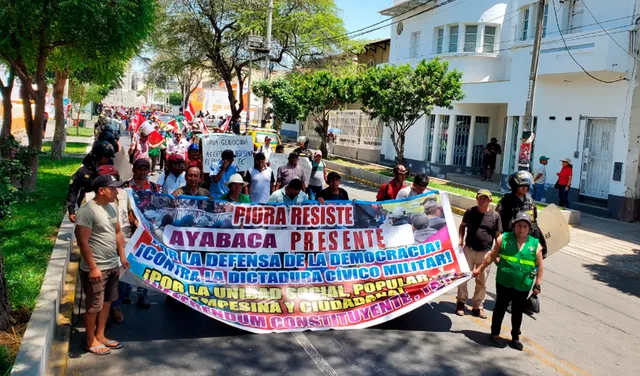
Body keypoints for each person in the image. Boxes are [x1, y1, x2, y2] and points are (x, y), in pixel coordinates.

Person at [472, 212, 544, 351]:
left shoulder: (535, 244)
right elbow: (491, 256)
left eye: (524, 226)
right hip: (503, 282)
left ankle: (515, 337)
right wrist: (480, 268)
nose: (521, 229)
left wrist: (537, 284)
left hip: (523, 285)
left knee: (518, 311)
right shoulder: (503, 239)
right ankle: (495, 333)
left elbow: (539, 266)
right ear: (514, 226)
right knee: (500, 308)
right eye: (518, 225)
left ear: (529, 228)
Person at [75, 174, 128, 355]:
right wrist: (93, 267)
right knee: (94, 306)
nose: (116, 192)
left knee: (107, 302)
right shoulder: (87, 211)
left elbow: (118, 233)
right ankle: (90, 340)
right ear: (101, 190)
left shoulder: (112, 207)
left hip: (112, 265)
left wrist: (122, 256)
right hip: (97, 268)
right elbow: (83, 242)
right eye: (112, 188)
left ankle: (101, 335)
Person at [456, 189, 502, 319]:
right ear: (476, 198)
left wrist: (497, 254)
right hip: (468, 249)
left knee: (482, 281)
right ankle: (461, 302)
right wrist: (460, 238)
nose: (482, 201)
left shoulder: (495, 216)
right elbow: (462, 226)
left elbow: (498, 237)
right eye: (480, 198)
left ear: (490, 200)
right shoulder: (470, 212)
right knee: (463, 277)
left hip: (485, 253)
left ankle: (477, 306)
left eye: (485, 198)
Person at [123, 159, 160, 309]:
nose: (142, 172)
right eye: (140, 169)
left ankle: (142, 294)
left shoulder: (154, 187)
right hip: (128, 229)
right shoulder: (125, 187)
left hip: (146, 230)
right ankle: (124, 293)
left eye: (145, 169)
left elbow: (159, 208)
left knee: (145, 262)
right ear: (134, 170)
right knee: (126, 260)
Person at [496, 171, 547, 258]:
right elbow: (498, 225)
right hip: (511, 241)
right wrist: (498, 247)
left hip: (528, 241)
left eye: (526, 186)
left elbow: (534, 222)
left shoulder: (530, 201)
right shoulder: (506, 202)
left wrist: (539, 241)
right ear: (515, 186)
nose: (524, 188)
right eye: (521, 186)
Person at [66, 141, 116, 223]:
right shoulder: (83, 171)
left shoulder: (110, 171)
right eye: (106, 156)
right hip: (86, 208)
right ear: (97, 155)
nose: (107, 159)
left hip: (105, 208)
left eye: (109, 157)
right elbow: (73, 190)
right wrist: (71, 211)